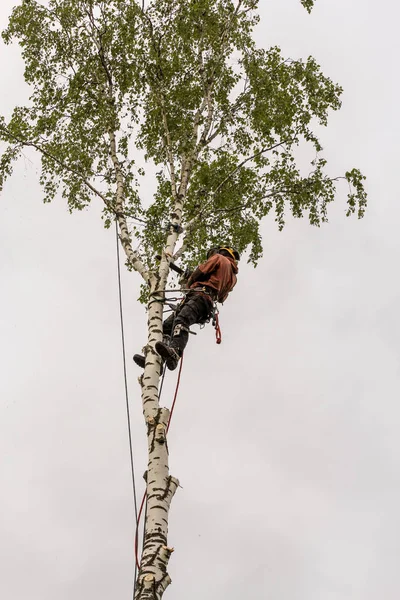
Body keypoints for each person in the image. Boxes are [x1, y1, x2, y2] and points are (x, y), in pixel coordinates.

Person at [133, 246, 240, 371]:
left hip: (200, 296)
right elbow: (221, 298)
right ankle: (157, 360)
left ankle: (175, 352)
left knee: (182, 320)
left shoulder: (219, 258)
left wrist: (190, 280)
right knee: (167, 326)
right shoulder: (233, 278)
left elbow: (201, 271)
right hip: (205, 303)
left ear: (221, 252)